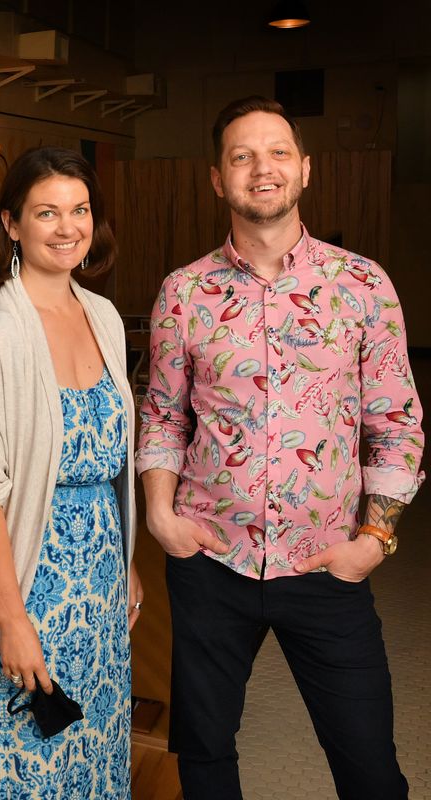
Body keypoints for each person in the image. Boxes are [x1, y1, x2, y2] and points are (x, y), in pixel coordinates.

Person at [136, 96, 424, 800]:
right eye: (241, 155)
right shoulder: (183, 293)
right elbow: (164, 415)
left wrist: (374, 539)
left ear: (304, 170)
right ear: (217, 178)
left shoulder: (364, 287)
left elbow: (398, 421)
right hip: (211, 564)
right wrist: (159, 513)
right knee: (202, 753)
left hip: (327, 566)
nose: (260, 168)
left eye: (276, 153)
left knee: (369, 767)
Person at [0, 146, 143, 798]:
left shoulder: (104, 317)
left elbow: (116, 462)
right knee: (37, 754)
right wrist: (13, 620)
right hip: (35, 578)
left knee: (99, 740)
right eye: (46, 212)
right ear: (11, 225)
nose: (67, 227)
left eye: (79, 210)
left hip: (104, 576)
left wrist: (128, 558)